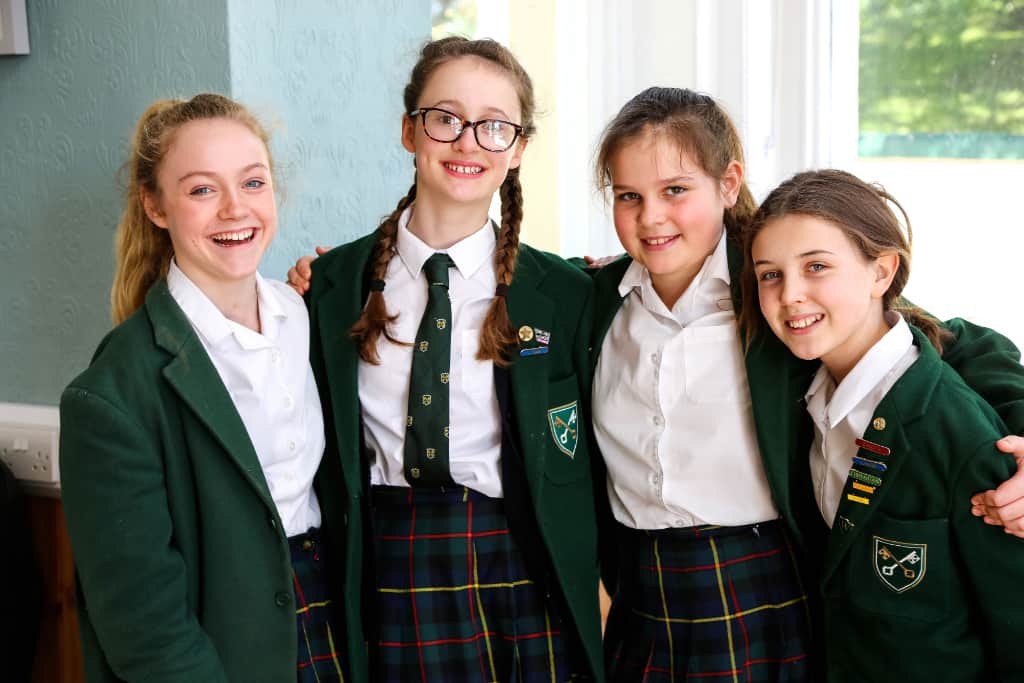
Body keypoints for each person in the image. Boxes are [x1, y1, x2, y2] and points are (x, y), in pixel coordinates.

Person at [587, 87, 1024, 682]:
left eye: (676, 190)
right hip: (641, 590)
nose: (651, 216)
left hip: (766, 582)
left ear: (728, 183)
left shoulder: (776, 283)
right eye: (628, 196)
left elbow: (947, 344)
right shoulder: (596, 299)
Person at [303, 37, 602, 682]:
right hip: (385, 565)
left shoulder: (566, 293)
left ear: (518, 149)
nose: (468, 142)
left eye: (494, 126)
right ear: (409, 131)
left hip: (521, 564)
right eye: (446, 118)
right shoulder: (330, 285)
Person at [59, 94, 348, 682]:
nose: (235, 209)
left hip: (333, 622)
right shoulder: (111, 395)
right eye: (201, 190)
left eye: (252, 182)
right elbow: (145, 627)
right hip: (224, 652)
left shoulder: (308, 316)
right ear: (155, 206)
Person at [739, 168, 1024, 679]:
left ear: (882, 272)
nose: (790, 295)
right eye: (770, 274)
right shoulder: (803, 392)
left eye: (817, 266)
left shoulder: (953, 426)